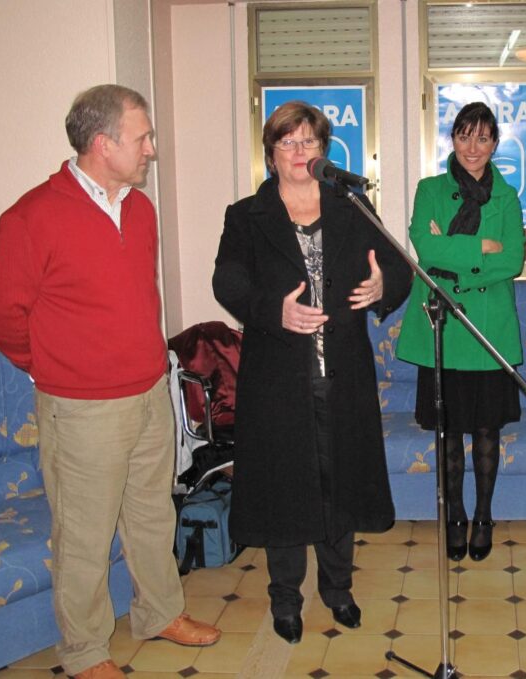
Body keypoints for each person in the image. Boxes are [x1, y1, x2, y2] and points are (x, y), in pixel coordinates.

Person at [0, 84, 220, 679]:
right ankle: (86, 652)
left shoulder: (139, 209)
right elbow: (4, 317)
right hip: (82, 409)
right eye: (141, 138)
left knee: (152, 515)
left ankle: (159, 613)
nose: (151, 149)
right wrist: (48, 369)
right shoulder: (29, 218)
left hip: (149, 395)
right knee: (85, 537)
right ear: (102, 144)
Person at [212, 101, 411, 644]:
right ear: (271, 154)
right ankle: (285, 599)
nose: (300, 152)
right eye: (289, 143)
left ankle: (338, 589)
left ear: (324, 150)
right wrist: (271, 309)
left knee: (339, 482)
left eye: (310, 142)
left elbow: (397, 265)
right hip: (278, 378)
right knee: (286, 487)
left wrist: (382, 288)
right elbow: (228, 281)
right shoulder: (245, 215)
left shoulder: (351, 204)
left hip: (342, 371)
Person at [396, 102, 525, 562]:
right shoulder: (430, 189)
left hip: (488, 330)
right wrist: (480, 247)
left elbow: (512, 259)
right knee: (448, 433)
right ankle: (454, 516)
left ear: (495, 144)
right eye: (465, 136)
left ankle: (484, 516)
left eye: (484, 138)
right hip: (443, 326)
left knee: (487, 432)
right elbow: (423, 247)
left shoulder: (507, 197)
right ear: (453, 139)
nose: (473, 147)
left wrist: (459, 261)